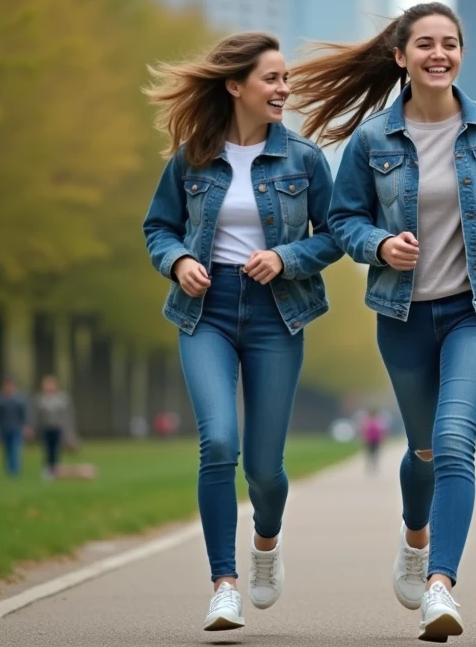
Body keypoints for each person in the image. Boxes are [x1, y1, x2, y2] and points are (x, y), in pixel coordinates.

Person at [289, 2, 476, 642]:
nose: (439, 53)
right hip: (402, 315)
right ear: (401, 57)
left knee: (456, 441)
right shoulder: (374, 140)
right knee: (425, 449)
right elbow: (343, 219)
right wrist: (378, 245)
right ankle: (414, 537)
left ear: (461, 53)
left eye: (450, 43)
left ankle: (440, 585)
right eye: (425, 43)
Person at [142, 31, 342, 633]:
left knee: (264, 469)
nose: (284, 89)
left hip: (276, 314)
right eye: (272, 79)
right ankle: (222, 585)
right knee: (218, 444)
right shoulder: (191, 157)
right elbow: (158, 228)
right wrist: (178, 261)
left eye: (285, 80)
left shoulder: (305, 160)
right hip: (205, 312)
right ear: (236, 86)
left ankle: (266, 539)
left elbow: (337, 233)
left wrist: (286, 257)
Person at [32, 375, 75, 480]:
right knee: (47, 450)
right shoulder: (40, 399)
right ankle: (48, 471)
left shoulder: (62, 399)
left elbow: (67, 416)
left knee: (56, 450)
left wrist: (69, 432)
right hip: (46, 429)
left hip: (58, 429)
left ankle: (57, 470)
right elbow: (36, 416)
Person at [0, 377, 31, 477]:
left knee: (15, 449)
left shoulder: (19, 399)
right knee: (7, 450)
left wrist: (26, 426)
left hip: (16, 428)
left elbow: (24, 414)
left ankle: (15, 470)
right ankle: (9, 468)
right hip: (4, 428)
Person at [360, 408, 387, 474]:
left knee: (375, 453)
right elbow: (364, 432)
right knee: (370, 453)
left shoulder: (377, 421)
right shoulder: (368, 422)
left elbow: (381, 432)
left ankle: (374, 465)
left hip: (375, 440)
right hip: (370, 440)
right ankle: (370, 465)